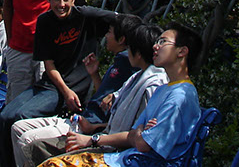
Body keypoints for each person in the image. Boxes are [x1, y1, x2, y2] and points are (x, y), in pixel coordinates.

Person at [37, 22, 203, 167]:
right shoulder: (163, 89)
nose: (155, 46)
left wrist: (141, 134)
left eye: (163, 42)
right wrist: (141, 132)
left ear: (182, 52)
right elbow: (135, 134)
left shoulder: (180, 97)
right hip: (124, 158)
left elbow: (143, 143)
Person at [0, 0, 118, 167]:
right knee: (6, 115)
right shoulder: (45, 21)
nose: (61, 4)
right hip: (53, 86)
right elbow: (49, 64)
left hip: (78, 87)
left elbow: (120, 19)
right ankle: (5, 162)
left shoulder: (86, 16)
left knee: (19, 117)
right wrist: (65, 91)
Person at [14, 23, 165, 167]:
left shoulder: (151, 85)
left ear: (138, 53)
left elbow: (134, 136)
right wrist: (92, 127)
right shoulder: (136, 77)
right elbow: (116, 121)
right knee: (25, 135)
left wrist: (92, 139)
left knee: (34, 145)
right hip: (95, 131)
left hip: (111, 150)